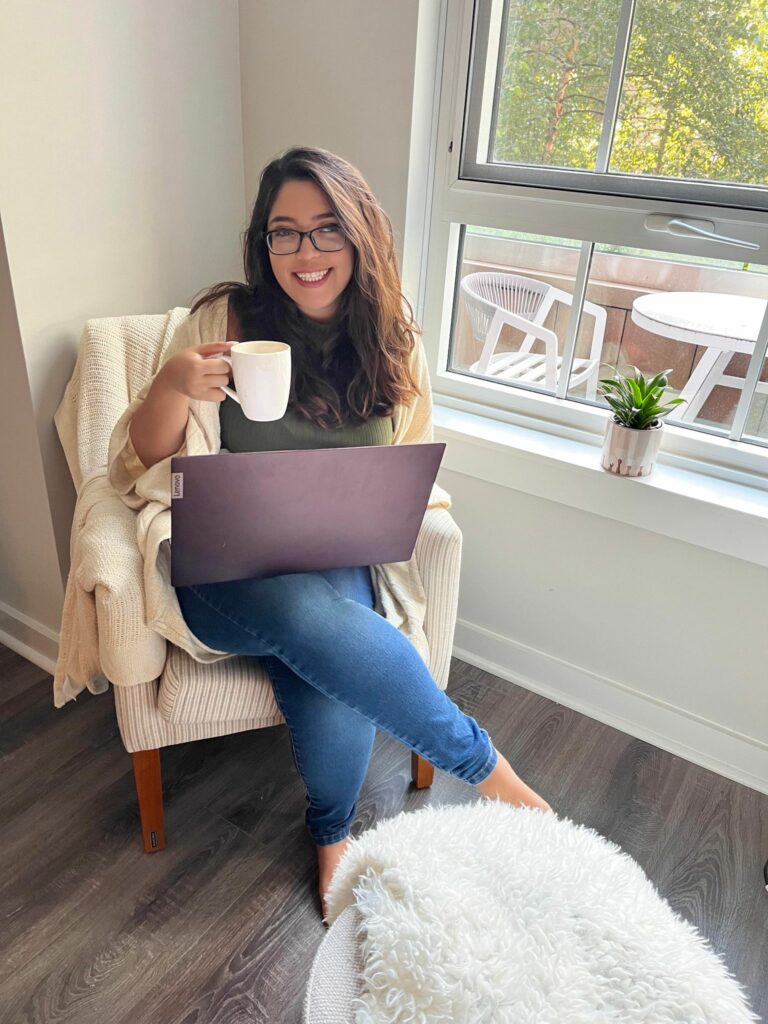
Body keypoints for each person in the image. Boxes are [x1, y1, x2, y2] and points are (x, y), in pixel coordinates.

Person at [114, 146, 551, 921]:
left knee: (328, 654)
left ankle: (331, 835)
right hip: (223, 568)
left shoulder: (391, 339)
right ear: (263, 242)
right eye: (284, 233)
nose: (305, 253)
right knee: (318, 623)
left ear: (359, 237)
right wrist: (174, 383)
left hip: (333, 555)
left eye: (327, 231)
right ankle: (496, 780)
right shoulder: (221, 320)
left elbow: (405, 463)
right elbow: (139, 460)